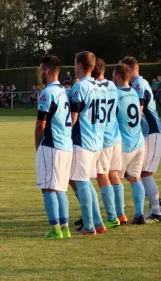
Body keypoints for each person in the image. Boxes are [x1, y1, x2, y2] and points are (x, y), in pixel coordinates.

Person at [35, 55, 73, 239]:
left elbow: (40, 123)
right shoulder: (65, 91)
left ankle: (55, 228)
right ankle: (65, 227)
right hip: (66, 144)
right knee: (60, 188)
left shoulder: (47, 93)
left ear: (47, 70)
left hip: (51, 144)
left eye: (41, 69)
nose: (40, 73)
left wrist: (37, 144)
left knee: (48, 188)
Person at [69, 51, 106, 235]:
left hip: (82, 140)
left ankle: (89, 226)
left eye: (75, 64)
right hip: (97, 141)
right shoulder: (102, 87)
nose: (74, 67)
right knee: (87, 182)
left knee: (81, 182)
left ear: (81, 65)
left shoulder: (79, 88)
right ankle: (98, 222)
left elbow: (73, 119)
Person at [121, 56, 161, 223]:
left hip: (151, 131)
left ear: (129, 69)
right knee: (133, 172)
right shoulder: (138, 84)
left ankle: (157, 211)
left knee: (143, 172)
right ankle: (155, 204)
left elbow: (139, 109)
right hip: (146, 133)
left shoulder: (138, 84)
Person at [91, 58, 125, 228]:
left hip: (103, 140)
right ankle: (121, 213)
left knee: (102, 176)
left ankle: (112, 217)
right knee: (114, 175)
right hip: (116, 137)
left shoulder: (93, 88)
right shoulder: (113, 86)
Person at [113, 63, 147, 225]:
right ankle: (139, 214)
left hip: (124, 144)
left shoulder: (115, 94)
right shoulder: (134, 91)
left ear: (119, 76)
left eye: (113, 75)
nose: (112, 79)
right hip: (139, 142)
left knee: (115, 178)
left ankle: (120, 215)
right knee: (135, 178)